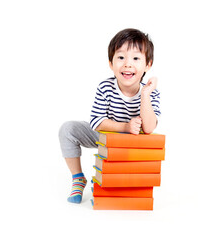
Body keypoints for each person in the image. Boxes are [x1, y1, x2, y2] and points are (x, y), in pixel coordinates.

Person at [58, 28, 161, 204]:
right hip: (106, 136)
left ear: (148, 65)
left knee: (121, 172)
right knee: (68, 129)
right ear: (111, 63)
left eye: (136, 58)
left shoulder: (150, 92)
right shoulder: (106, 87)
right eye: (121, 57)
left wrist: (145, 95)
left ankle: (104, 188)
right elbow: (97, 122)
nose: (128, 64)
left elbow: (149, 128)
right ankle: (78, 178)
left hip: (131, 145)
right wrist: (125, 126)